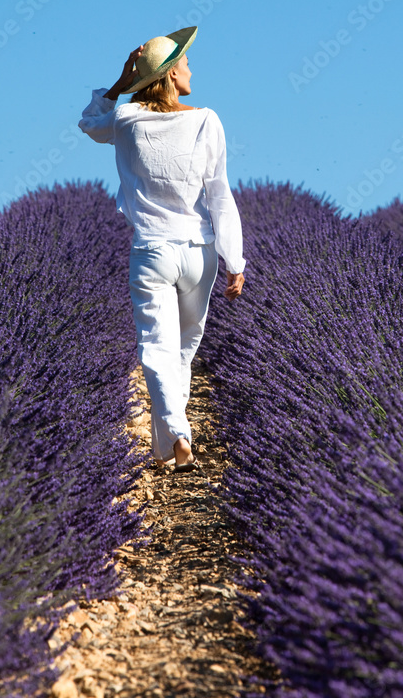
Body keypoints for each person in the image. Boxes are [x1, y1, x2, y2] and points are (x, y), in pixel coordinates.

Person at [78, 27, 246, 474]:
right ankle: (173, 441)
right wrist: (235, 259)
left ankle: (174, 437)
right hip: (199, 252)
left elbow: (89, 123)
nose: (191, 69)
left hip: (152, 251)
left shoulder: (126, 119)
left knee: (157, 348)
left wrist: (121, 82)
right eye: (185, 63)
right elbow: (220, 195)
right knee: (183, 351)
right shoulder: (207, 120)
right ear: (171, 74)